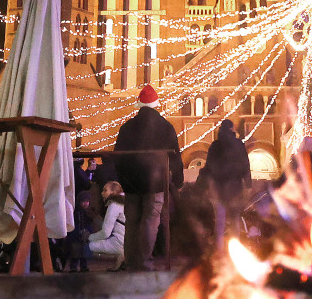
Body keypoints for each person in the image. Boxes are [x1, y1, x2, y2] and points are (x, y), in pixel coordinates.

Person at [113, 85, 183, 271]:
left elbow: (117, 156)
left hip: (131, 183)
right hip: (155, 183)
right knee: (150, 221)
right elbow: (175, 156)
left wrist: (122, 178)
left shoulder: (127, 127)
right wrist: (178, 179)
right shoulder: (166, 126)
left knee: (132, 221)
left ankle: (131, 262)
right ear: (156, 104)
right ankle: (144, 262)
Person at [199, 119, 251, 248]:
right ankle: (236, 248)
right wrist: (248, 183)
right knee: (234, 219)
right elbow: (245, 164)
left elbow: (209, 167)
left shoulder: (215, 145)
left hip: (218, 187)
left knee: (220, 220)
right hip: (234, 187)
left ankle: (219, 248)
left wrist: (203, 185)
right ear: (232, 129)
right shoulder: (238, 144)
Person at [86, 181, 126, 269]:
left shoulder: (114, 206)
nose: (102, 193)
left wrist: (89, 238)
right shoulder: (125, 202)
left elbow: (105, 233)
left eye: (105, 190)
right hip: (127, 242)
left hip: (119, 242)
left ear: (113, 192)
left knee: (85, 247)